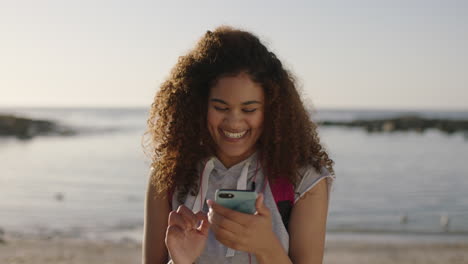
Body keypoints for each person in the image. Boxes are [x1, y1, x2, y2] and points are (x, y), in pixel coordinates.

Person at [142, 26, 335, 264]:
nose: (234, 122)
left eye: (249, 109)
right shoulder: (169, 173)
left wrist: (266, 247)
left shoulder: (304, 180)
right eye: (220, 107)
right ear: (198, 104)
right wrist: (180, 260)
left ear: (272, 108)